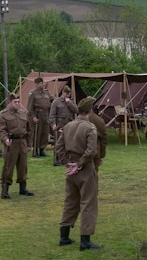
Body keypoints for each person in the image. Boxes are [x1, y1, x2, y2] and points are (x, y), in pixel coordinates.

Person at [55, 97, 102, 251]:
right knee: (88, 203)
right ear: (90, 110)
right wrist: (79, 164)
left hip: (71, 169)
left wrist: (67, 162)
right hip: (85, 169)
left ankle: (64, 236)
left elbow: (59, 147)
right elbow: (91, 151)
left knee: (70, 201)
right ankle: (85, 240)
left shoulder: (68, 126)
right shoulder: (90, 128)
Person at [0, 93, 34, 199]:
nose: (17, 104)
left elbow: (29, 130)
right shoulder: (4, 115)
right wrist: (5, 139)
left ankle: (23, 188)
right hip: (11, 143)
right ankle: (5, 189)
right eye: (15, 102)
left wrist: (29, 144)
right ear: (10, 102)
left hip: (22, 141)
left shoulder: (23, 113)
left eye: (18, 102)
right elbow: (1, 130)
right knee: (8, 167)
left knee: (23, 166)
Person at [49, 85, 78, 166]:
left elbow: (76, 110)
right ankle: (57, 159)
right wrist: (53, 124)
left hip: (69, 124)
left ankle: (67, 158)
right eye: (66, 94)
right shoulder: (56, 101)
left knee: (69, 142)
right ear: (62, 93)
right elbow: (52, 114)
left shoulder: (71, 101)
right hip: (60, 123)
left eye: (68, 94)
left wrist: (69, 102)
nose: (67, 95)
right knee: (58, 143)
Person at [27, 77, 53, 157]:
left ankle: (42, 149)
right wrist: (33, 117)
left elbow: (52, 99)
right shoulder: (33, 93)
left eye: (43, 83)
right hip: (37, 114)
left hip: (46, 114)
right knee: (37, 133)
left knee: (45, 133)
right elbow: (29, 107)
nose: (43, 84)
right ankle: (35, 150)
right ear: (37, 84)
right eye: (41, 83)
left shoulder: (46, 92)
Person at [88, 103, 108, 173]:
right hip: (95, 151)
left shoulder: (76, 121)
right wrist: (101, 155)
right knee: (93, 175)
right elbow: (104, 140)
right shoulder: (99, 120)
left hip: (81, 152)